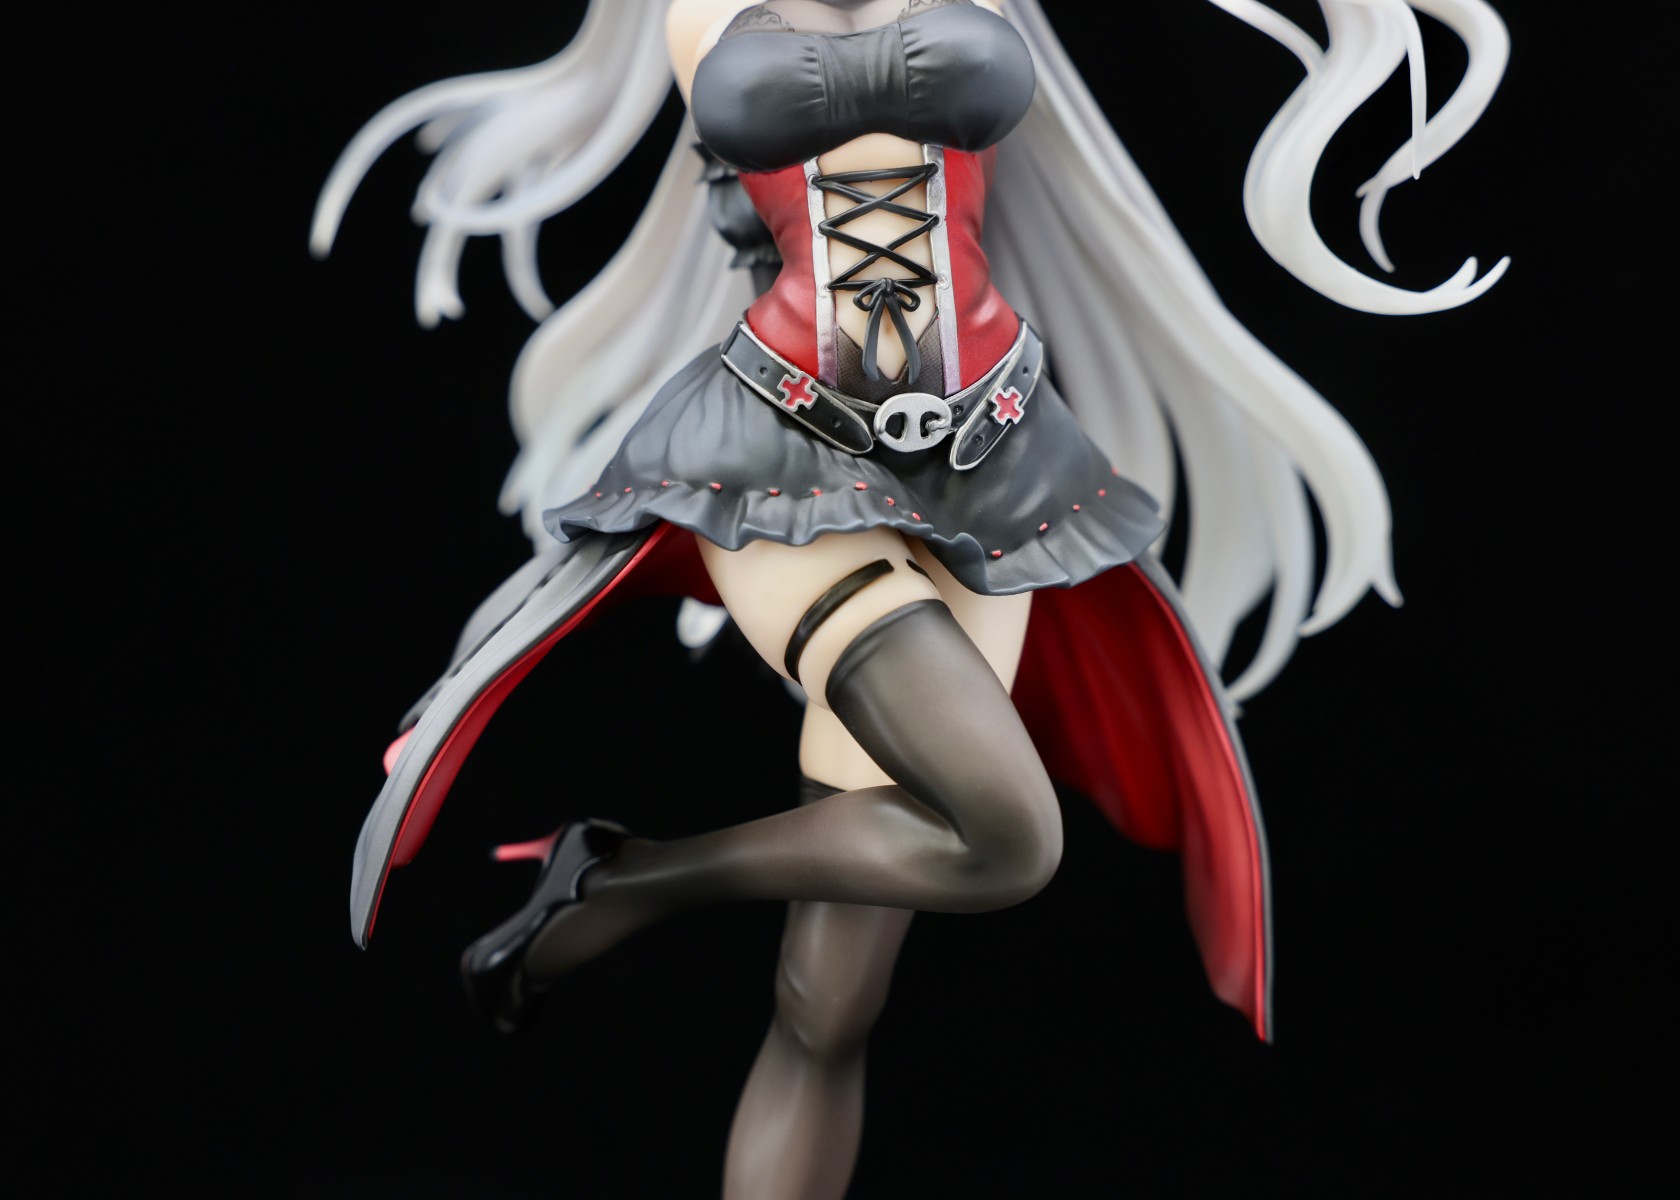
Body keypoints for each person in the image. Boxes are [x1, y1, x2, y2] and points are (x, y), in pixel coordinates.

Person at [312, 2, 1508, 1195]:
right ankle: (621, 884)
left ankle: (614, 877)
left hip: (991, 477)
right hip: (784, 464)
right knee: (1007, 837)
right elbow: (769, 92)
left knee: (824, 1005)